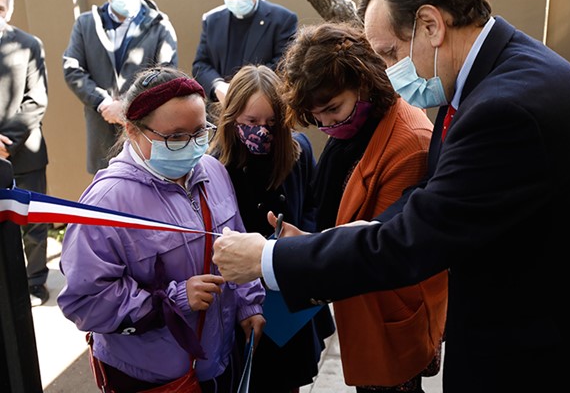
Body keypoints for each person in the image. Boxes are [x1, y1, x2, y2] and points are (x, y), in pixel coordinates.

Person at [212, 0, 570, 393]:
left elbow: (414, 237)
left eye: (391, 52)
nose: (389, 72)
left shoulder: (503, 108)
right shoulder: (492, 77)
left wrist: (268, 259)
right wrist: (316, 246)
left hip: (532, 353)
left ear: (431, 25)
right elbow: (429, 197)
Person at [57, 66, 266, 393]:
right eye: (175, 137)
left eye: (199, 132)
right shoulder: (105, 203)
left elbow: (236, 243)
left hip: (218, 363)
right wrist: (176, 298)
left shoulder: (211, 170)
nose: (192, 145)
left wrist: (248, 304)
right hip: (150, 377)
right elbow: (85, 302)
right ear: (132, 130)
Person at [276, 22, 447, 392]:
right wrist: (306, 241)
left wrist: (299, 253)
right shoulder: (359, 126)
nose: (325, 124)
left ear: (365, 81)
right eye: (316, 116)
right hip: (365, 305)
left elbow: (381, 248)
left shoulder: (409, 142)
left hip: (390, 313)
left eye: (332, 109)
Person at [209, 64, 335, 393]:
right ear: (231, 116)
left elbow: (314, 205)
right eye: (251, 123)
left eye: (271, 123)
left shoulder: (298, 149)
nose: (261, 132)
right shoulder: (215, 164)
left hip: (288, 287)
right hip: (242, 293)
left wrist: (299, 237)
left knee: (288, 378)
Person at [63, 0, 178, 175]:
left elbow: (165, 76)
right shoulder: (85, 24)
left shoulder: (160, 26)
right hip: (102, 135)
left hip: (144, 133)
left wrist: (125, 106)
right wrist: (103, 102)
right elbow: (73, 68)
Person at [191, 0, 298, 114]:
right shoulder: (212, 20)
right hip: (221, 113)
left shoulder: (282, 19)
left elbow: (283, 65)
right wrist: (218, 86)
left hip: (264, 112)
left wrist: (242, 90)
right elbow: (201, 64)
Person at [0, 0, 50, 307]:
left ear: (9, 9)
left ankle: (34, 283)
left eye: (1, 8)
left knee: (33, 225)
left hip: (24, 151)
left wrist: (5, 141)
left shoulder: (29, 44)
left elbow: (37, 99)